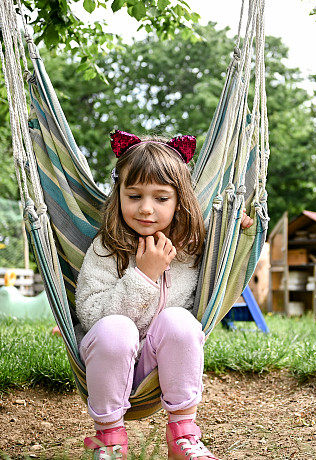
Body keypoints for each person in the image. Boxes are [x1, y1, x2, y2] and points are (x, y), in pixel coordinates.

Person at [75, 130, 254, 460]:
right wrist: (144, 275)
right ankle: (110, 441)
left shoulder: (191, 249)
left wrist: (237, 230)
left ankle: (182, 436)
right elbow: (89, 314)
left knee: (180, 321)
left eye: (160, 198)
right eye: (134, 196)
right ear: (119, 197)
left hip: (158, 365)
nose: (145, 208)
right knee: (116, 329)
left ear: (178, 200)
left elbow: (226, 250)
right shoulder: (104, 249)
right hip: (108, 360)